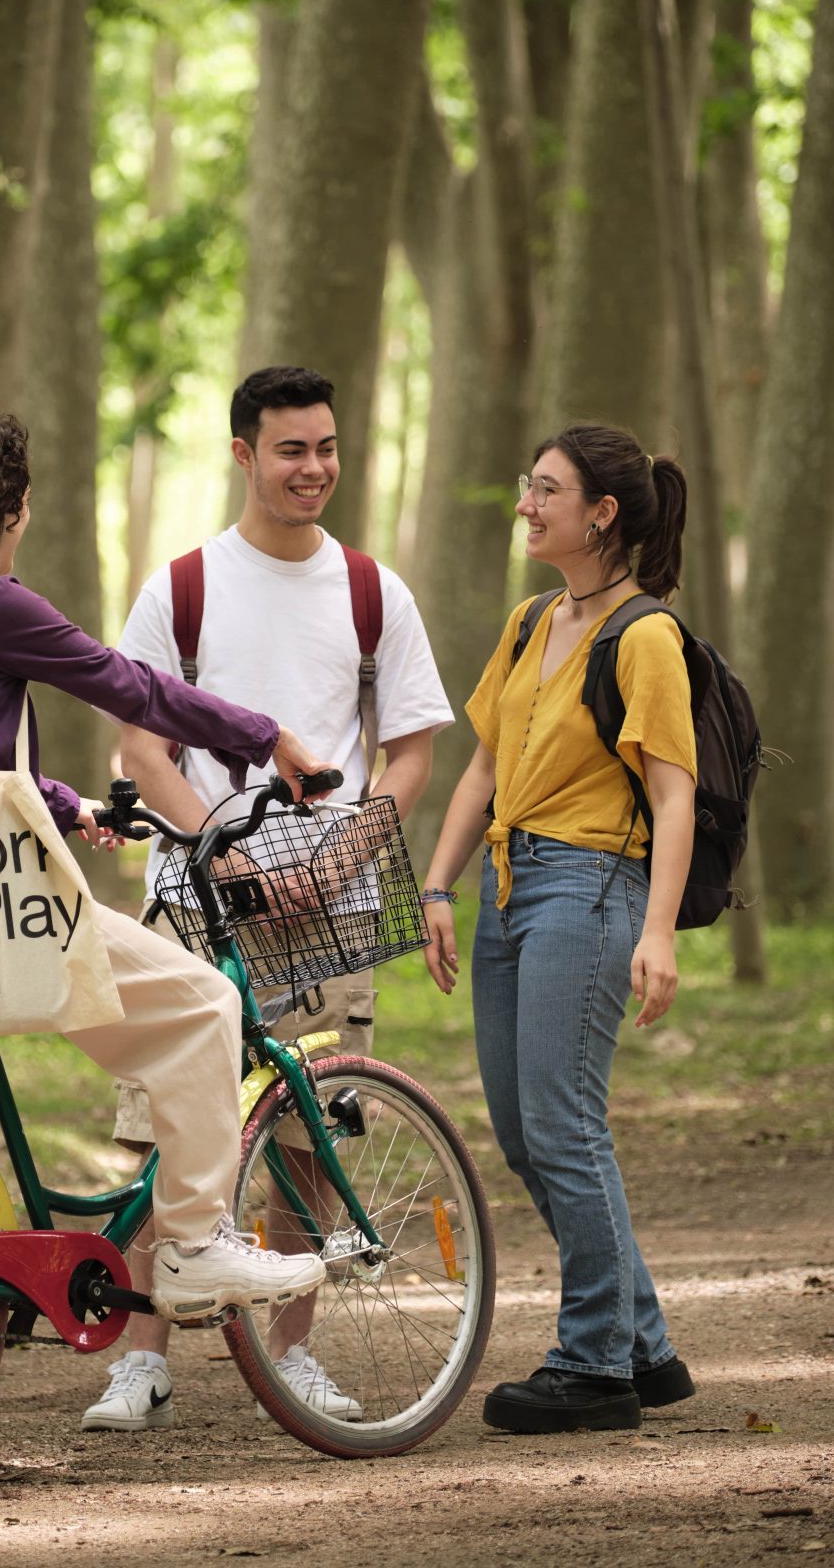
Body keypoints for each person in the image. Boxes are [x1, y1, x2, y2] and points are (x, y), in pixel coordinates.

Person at [0, 412, 335, 1462]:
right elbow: (126, 684)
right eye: (20, 504)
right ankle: (193, 1243)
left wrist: (67, 805)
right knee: (202, 1004)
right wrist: (266, 738)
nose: (24, 521)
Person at [81, 365, 452, 1434]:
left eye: (326, 447)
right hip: (198, 901)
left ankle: (295, 1355)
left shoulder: (374, 592)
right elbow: (142, 751)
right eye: (292, 449)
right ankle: (141, 1359)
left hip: (334, 908)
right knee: (163, 1126)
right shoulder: (184, 587)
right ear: (244, 453)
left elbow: (412, 752)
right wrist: (227, 860)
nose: (314, 468)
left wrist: (340, 862)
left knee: (310, 1129)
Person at [420, 421, 698, 1435]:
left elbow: (673, 794)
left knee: (564, 1125)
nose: (527, 505)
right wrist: (438, 887)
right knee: (524, 1130)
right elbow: (485, 768)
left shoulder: (646, 636)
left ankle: (594, 1366)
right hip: (508, 884)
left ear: (601, 513)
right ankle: (644, 1344)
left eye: (546, 490)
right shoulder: (532, 619)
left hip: (590, 886)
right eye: (527, 485)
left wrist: (658, 932)